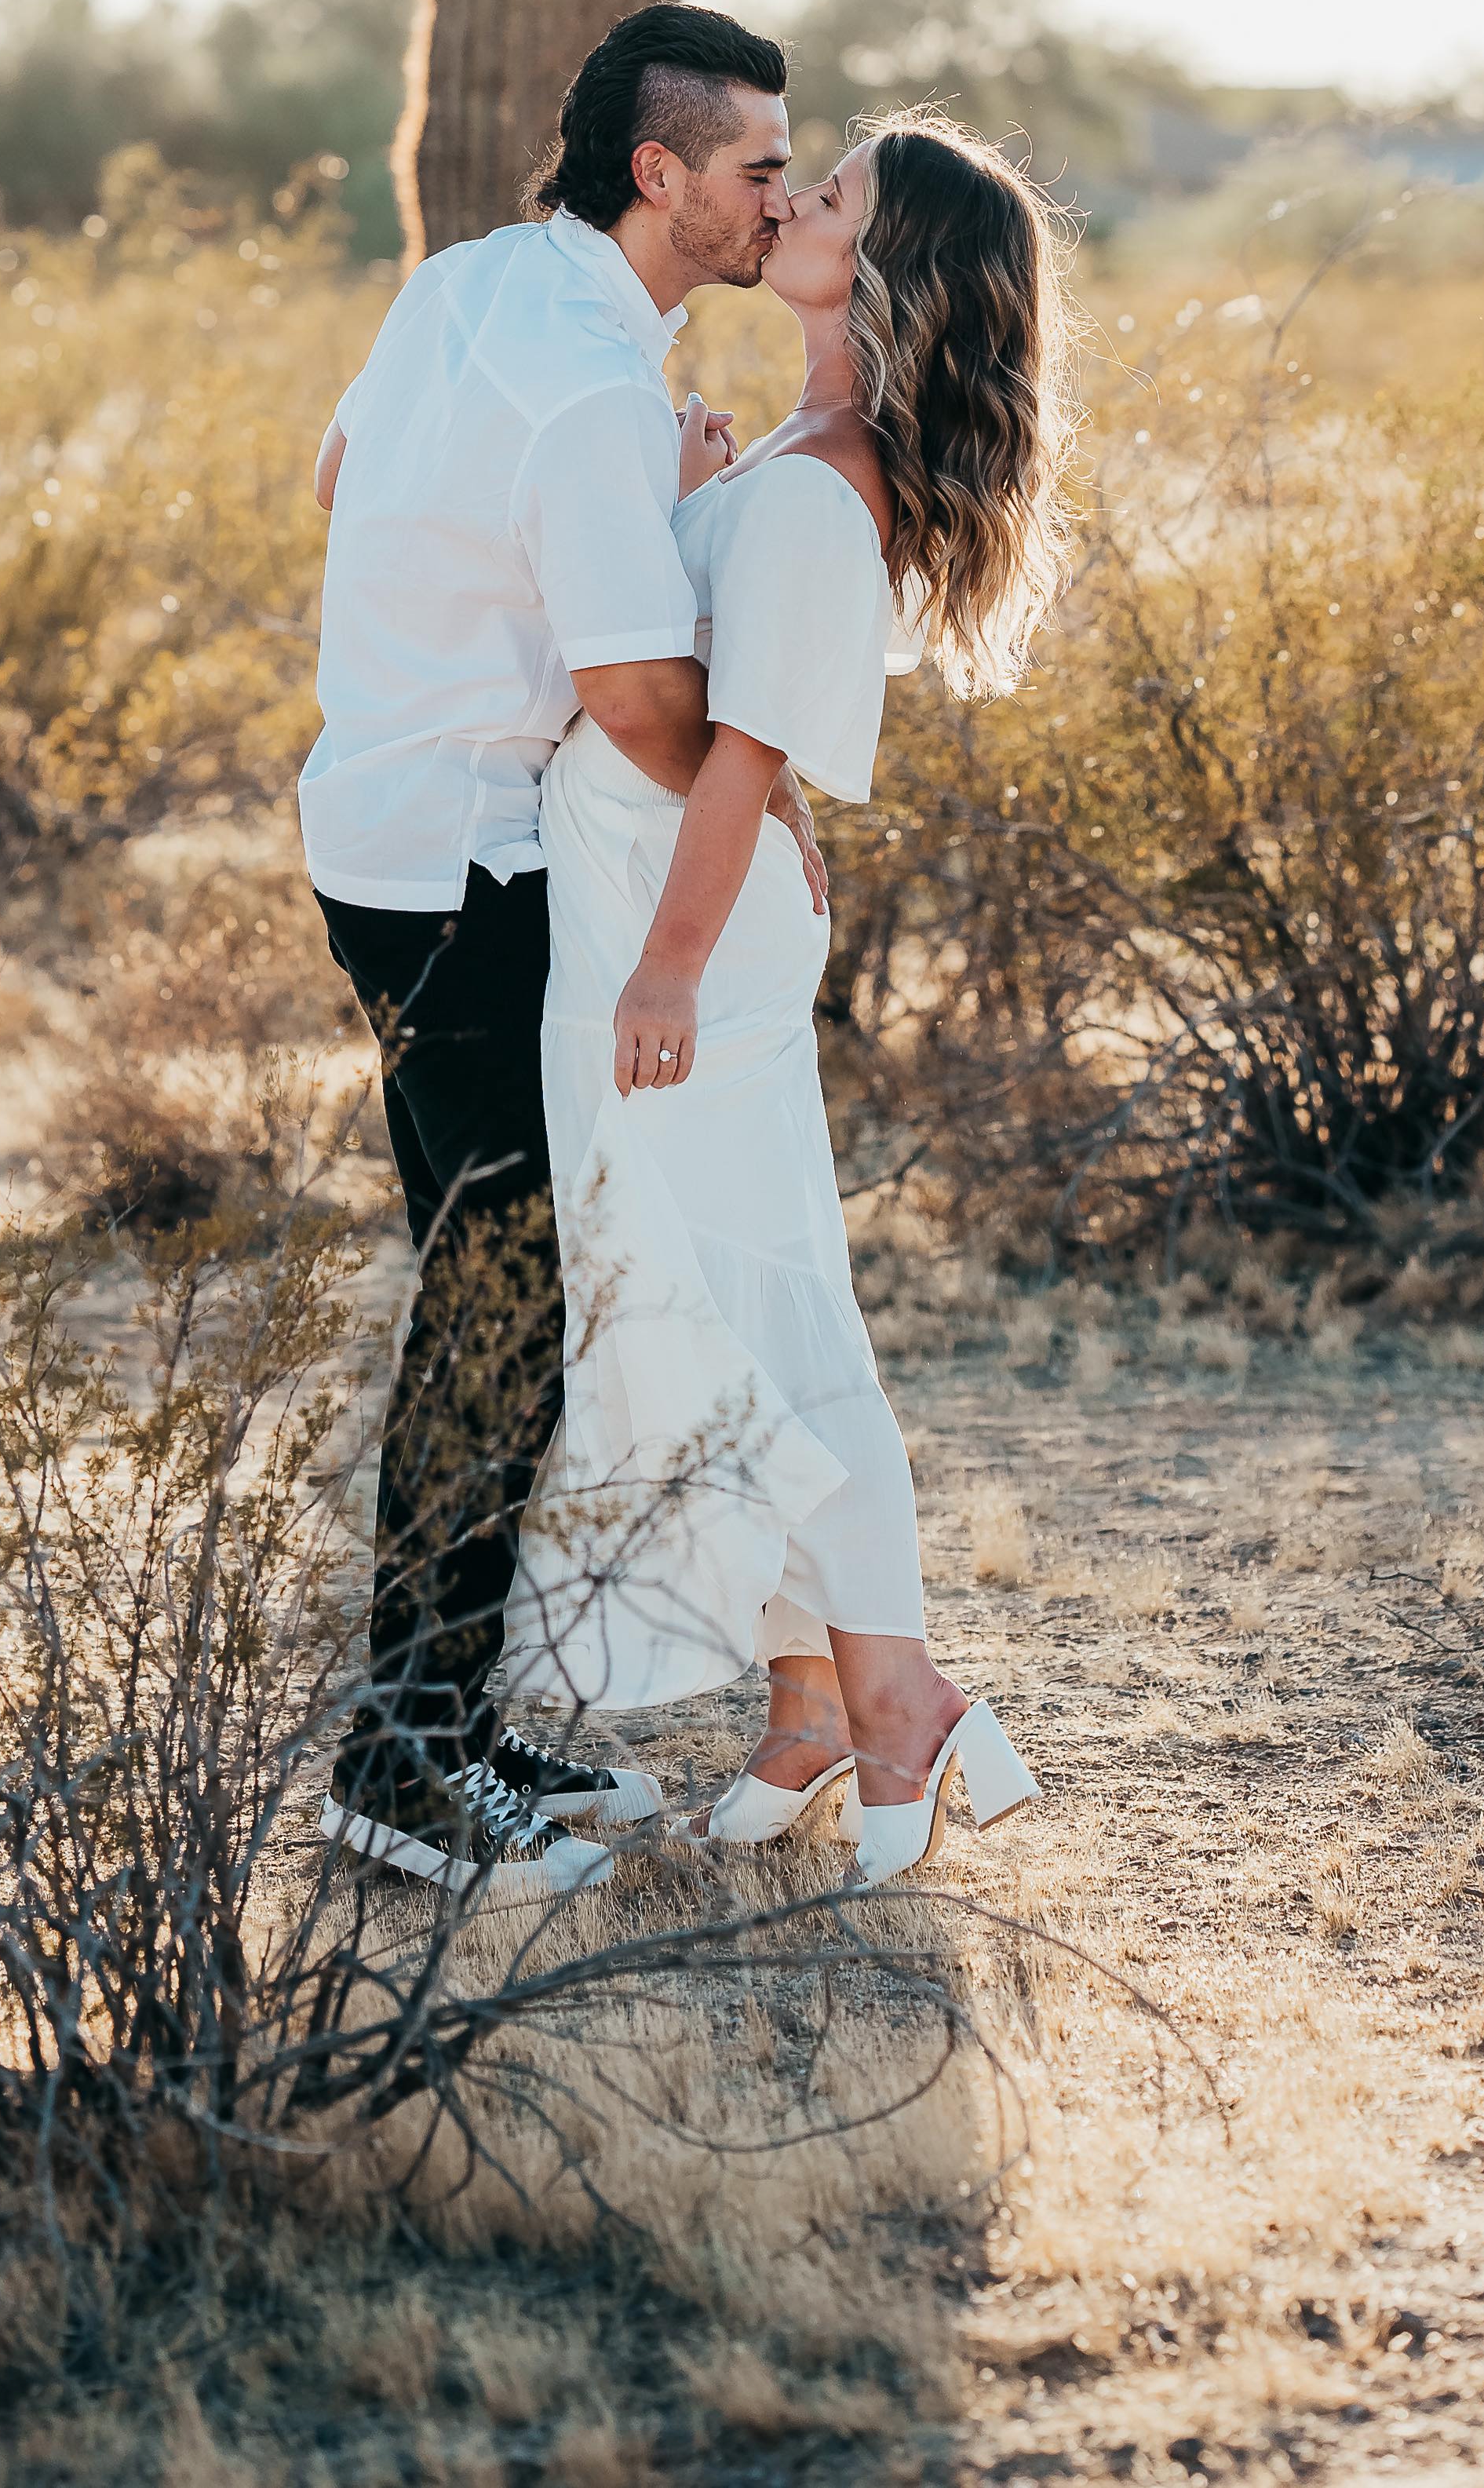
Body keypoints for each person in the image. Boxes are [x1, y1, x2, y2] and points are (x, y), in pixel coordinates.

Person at [301, 1, 815, 1895]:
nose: (781, 187)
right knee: (495, 1311)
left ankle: (448, 1711)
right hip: (468, 872)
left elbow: (346, 488)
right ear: (658, 176)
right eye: (759, 161)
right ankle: (401, 1758)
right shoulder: (600, 389)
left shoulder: (463, 289)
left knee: (493, 1295)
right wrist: (759, 801)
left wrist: (624, 506)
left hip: (376, 833)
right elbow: (629, 687)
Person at [520, 116, 1070, 1881]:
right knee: (696, 1296)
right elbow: (714, 688)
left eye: (824, 197)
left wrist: (673, 958)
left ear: (883, 265)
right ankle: (807, 1699)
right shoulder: (806, 455)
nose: (788, 205)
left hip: (670, 927)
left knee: (761, 1308)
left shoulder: (832, 486)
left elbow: (745, 745)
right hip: (650, 896)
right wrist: (690, 493)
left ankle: (895, 1692)